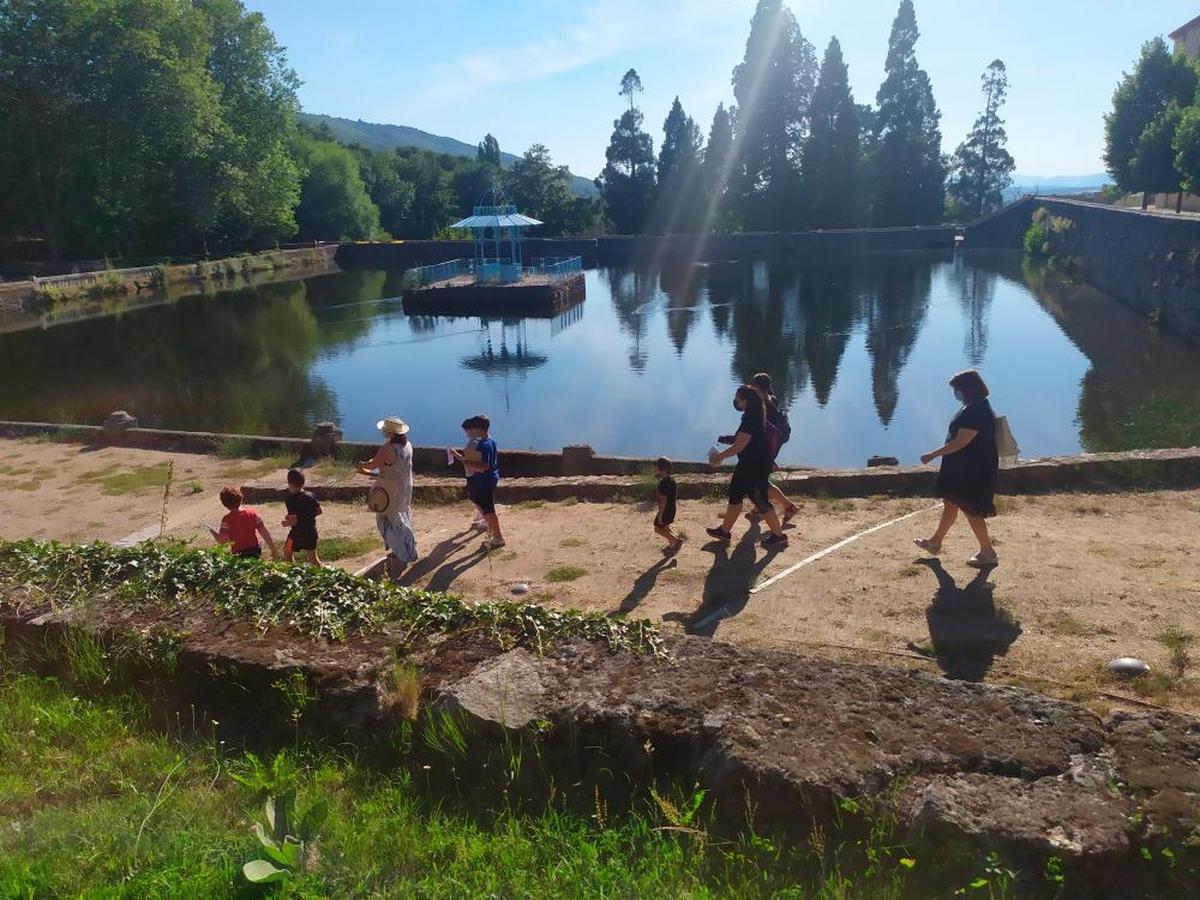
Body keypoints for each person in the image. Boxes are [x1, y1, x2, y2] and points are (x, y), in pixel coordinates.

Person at [915, 369, 1000, 568]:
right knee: (951, 504)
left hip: (973, 471)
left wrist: (933, 454)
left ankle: (988, 552)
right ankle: (935, 543)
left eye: (958, 389)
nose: (956, 393)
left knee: (972, 510)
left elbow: (960, 443)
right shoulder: (971, 406)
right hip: (961, 468)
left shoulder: (977, 411)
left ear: (968, 389)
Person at [706, 385, 789, 549]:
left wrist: (719, 457)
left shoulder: (751, 419)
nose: (736, 402)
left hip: (755, 465)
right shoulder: (754, 415)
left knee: (759, 499)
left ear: (745, 400)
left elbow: (739, 446)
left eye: (738, 398)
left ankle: (779, 536)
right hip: (748, 463)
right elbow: (742, 443)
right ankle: (724, 531)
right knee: (735, 493)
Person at [359, 417, 417, 580]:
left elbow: (373, 465)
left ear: (390, 433)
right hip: (405, 485)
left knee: (386, 519)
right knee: (402, 515)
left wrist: (361, 464)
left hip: (389, 488)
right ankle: (407, 548)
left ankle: (401, 552)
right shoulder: (408, 445)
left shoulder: (387, 448)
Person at [749, 372, 800, 525]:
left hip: (767, 448)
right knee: (757, 480)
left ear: (758, 386)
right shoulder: (772, 399)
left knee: (760, 481)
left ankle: (788, 506)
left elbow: (764, 430)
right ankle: (760, 508)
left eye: (753, 386)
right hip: (770, 446)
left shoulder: (765, 403)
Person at [451, 414, 504, 550]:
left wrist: (460, 458)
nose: (471, 432)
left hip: (483, 482)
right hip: (487, 479)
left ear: (479, 429)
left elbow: (483, 467)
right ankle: (489, 526)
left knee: (489, 510)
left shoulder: (483, 445)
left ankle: (498, 538)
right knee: (478, 502)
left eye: (473, 429)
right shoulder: (491, 441)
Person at [211, 486, 278, 560]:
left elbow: (222, 541)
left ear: (224, 504)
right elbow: (264, 532)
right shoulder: (252, 514)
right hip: (254, 550)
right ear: (240, 498)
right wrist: (273, 550)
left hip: (238, 553)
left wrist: (213, 532)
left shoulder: (226, 520)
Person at [281, 468, 323, 565]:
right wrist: (307, 516)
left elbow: (294, 520)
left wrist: (286, 523)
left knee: (287, 553)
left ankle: (293, 572)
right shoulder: (311, 495)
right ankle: (324, 576)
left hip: (296, 534)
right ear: (303, 482)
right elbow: (319, 511)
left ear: (289, 483)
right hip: (311, 532)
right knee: (313, 558)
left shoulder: (290, 500)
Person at [653, 457, 684, 555]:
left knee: (658, 528)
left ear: (662, 470)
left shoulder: (663, 484)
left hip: (665, 510)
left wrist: (660, 515)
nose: (654, 470)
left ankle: (675, 541)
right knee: (666, 527)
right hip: (672, 509)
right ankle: (672, 546)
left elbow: (663, 501)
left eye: (656, 468)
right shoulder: (671, 480)